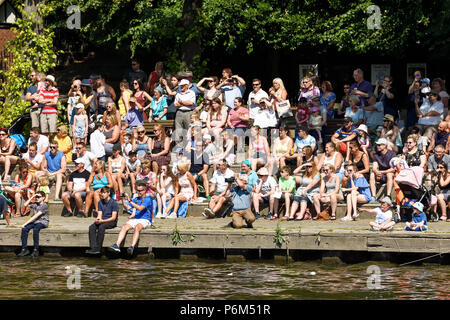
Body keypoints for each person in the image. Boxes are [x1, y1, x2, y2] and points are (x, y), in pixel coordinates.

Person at [109, 182, 153, 256]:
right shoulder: (135, 199)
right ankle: (117, 245)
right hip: (135, 219)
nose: (138, 192)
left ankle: (132, 246)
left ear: (145, 190)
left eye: (140, 190)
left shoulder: (148, 199)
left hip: (145, 219)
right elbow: (127, 207)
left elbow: (140, 208)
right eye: (137, 190)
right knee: (124, 227)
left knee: (137, 227)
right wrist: (123, 200)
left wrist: (129, 200)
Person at [85, 186, 119, 255]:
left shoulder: (114, 203)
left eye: (104, 193)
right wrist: (98, 219)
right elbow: (99, 214)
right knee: (92, 227)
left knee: (101, 227)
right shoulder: (100, 202)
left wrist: (102, 221)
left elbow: (113, 218)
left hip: (111, 221)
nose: (102, 194)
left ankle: (98, 248)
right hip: (103, 220)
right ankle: (93, 248)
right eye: (101, 193)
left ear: (108, 193)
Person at [17, 191, 49, 257]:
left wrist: (25, 223)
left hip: (42, 222)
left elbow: (36, 216)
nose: (37, 198)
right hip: (35, 221)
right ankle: (24, 249)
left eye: (38, 197)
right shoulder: (35, 204)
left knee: (36, 229)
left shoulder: (44, 205)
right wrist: (32, 197)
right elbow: (25, 205)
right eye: (36, 197)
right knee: (24, 229)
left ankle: (36, 249)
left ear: (43, 198)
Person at [173, 79, 196, 144]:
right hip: (179, 113)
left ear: (187, 86)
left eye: (182, 86)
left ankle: (189, 148)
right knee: (178, 132)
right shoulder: (178, 94)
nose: (181, 87)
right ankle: (179, 150)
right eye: (180, 86)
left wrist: (181, 102)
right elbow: (175, 104)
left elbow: (191, 103)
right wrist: (185, 103)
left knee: (189, 131)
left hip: (189, 113)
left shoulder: (191, 93)